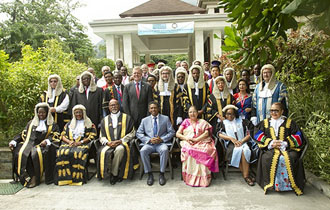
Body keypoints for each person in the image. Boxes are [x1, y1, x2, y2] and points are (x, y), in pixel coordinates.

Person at [253, 102, 305, 195]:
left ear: (282, 111)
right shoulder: (265, 123)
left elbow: (298, 136)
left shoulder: (290, 123)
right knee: (267, 158)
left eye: (276, 111)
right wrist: (270, 142)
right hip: (270, 148)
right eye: (272, 110)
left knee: (291, 157)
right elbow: (257, 134)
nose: (273, 113)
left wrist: (285, 143)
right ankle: (272, 185)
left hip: (287, 148)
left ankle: (288, 185)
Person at [9, 103, 60, 187]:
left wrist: (47, 141)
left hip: (42, 145)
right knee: (19, 151)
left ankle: (35, 178)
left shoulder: (52, 124)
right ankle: (25, 176)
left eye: (43, 112)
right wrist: (13, 141)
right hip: (30, 143)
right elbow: (23, 133)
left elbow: (56, 135)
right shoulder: (31, 123)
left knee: (35, 154)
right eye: (39, 113)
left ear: (47, 113)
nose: (41, 114)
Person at [176, 106, 219, 187]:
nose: (192, 114)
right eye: (190, 112)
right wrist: (186, 138)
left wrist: (196, 140)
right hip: (188, 141)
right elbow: (178, 133)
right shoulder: (185, 122)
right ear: (188, 113)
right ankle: (192, 179)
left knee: (206, 150)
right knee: (189, 150)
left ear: (197, 113)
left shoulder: (203, 122)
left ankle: (203, 179)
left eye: (194, 112)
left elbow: (206, 133)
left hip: (202, 141)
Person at [54, 104, 97, 186]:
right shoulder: (69, 124)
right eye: (76, 113)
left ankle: (77, 178)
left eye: (80, 112)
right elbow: (62, 135)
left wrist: (80, 142)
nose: (78, 114)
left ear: (83, 113)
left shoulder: (89, 123)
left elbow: (92, 136)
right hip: (69, 143)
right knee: (62, 152)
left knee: (77, 153)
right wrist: (69, 142)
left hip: (83, 143)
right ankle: (65, 178)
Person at [97, 99, 136, 184]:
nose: (114, 107)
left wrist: (121, 141)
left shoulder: (127, 118)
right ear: (109, 108)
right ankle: (105, 172)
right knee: (102, 152)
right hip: (109, 143)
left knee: (120, 150)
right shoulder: (105, 120)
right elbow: (101, 135)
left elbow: (132, 133)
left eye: (115, 105)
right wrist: (107, 142)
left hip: (122, 143)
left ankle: (113, 174)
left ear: (119, 106)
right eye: (111, 105)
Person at [136, 102, 175, 186]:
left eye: (155, 108)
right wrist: (149, 140)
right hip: (149, 144)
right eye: (151, 108)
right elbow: (138, 133)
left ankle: (162, 174)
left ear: (158, 108)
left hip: (161, 143)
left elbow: (172, 132)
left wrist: (162, 139)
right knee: (143, 151)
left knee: (165, 150)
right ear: (149, 110)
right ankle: (149, 174)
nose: (153, 109)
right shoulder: (144, 120)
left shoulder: (165, 118)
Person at [218, 105, 257, 186]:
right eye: (228, 114)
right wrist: (231, 138)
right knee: (239, 151)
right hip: (230, 144)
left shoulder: (243, 121)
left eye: (232, 114)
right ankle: (247, 176)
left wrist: (242, 141)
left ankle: (246, 175)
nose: (230, 116)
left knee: (245, 150)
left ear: (235, 114)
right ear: (225, 114)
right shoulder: (223, 123)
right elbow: (219, 134)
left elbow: (250, 133)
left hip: (243, 141)